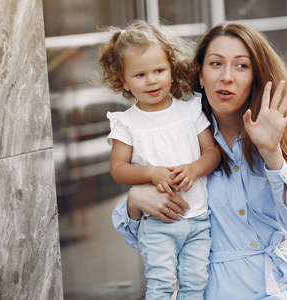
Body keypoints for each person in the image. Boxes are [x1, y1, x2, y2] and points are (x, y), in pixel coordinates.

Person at [112, 22, 287, 300]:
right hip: (223, 287)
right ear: (200, 75)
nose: (226, 77)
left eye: (241, 66)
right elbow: (143, 240)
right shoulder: (180, 134)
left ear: (256, 77)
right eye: (215, 64)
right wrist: (135, 200)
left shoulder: (274, 132)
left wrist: (272, 153)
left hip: (282, 279)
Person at [99, 20, 221, 299]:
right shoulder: (127, 123)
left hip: (199, 220)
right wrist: (151, 173)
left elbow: (212, 153)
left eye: (159, 70)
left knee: (195, 283)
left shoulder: (190, 112)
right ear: (123, 78)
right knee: (161, 285)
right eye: (140, 75)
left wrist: (194, 168)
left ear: (171, 67)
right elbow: (118, 170)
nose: (152, 80)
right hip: (158, 225)